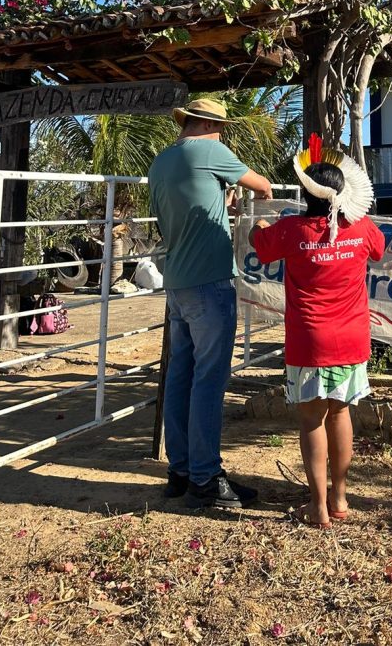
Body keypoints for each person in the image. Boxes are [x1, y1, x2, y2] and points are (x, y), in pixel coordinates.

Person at [250, 134, 384, 528]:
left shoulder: (292, 229)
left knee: (311, 421)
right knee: (341, 414)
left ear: (306, 193)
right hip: (352, 338)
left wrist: (261, 220)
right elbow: (379, 250)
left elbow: (262, 246)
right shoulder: (360, 228)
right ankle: (340, 499)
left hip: (309, 341)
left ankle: (317, 505)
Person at [148, 97, 273, 509]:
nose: (222, 137)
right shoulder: (210, 150)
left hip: (178, 283)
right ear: (207, 125)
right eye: (220, 130)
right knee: (209, 381)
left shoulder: (162, 162)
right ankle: (205, 477)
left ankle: (180, 471)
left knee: (180, 377)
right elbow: (264, 185)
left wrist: (221, 199)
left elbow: (180, 214)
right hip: (210, 282)